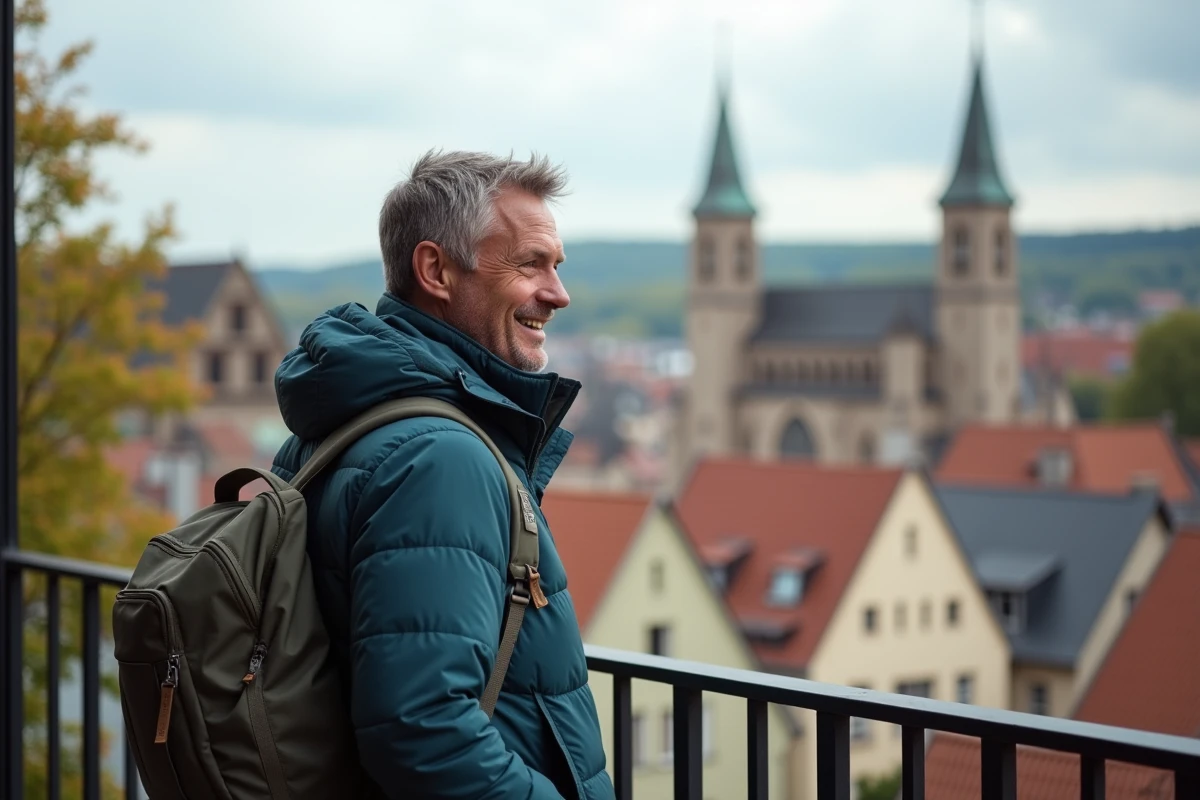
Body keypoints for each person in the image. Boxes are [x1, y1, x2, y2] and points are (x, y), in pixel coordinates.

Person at [270, 151, 614, 799]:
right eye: (529, 264)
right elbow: (423, 731)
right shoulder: (439, 455)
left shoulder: (355, 412)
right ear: (435, 270)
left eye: (558, 267)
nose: (558, 293)